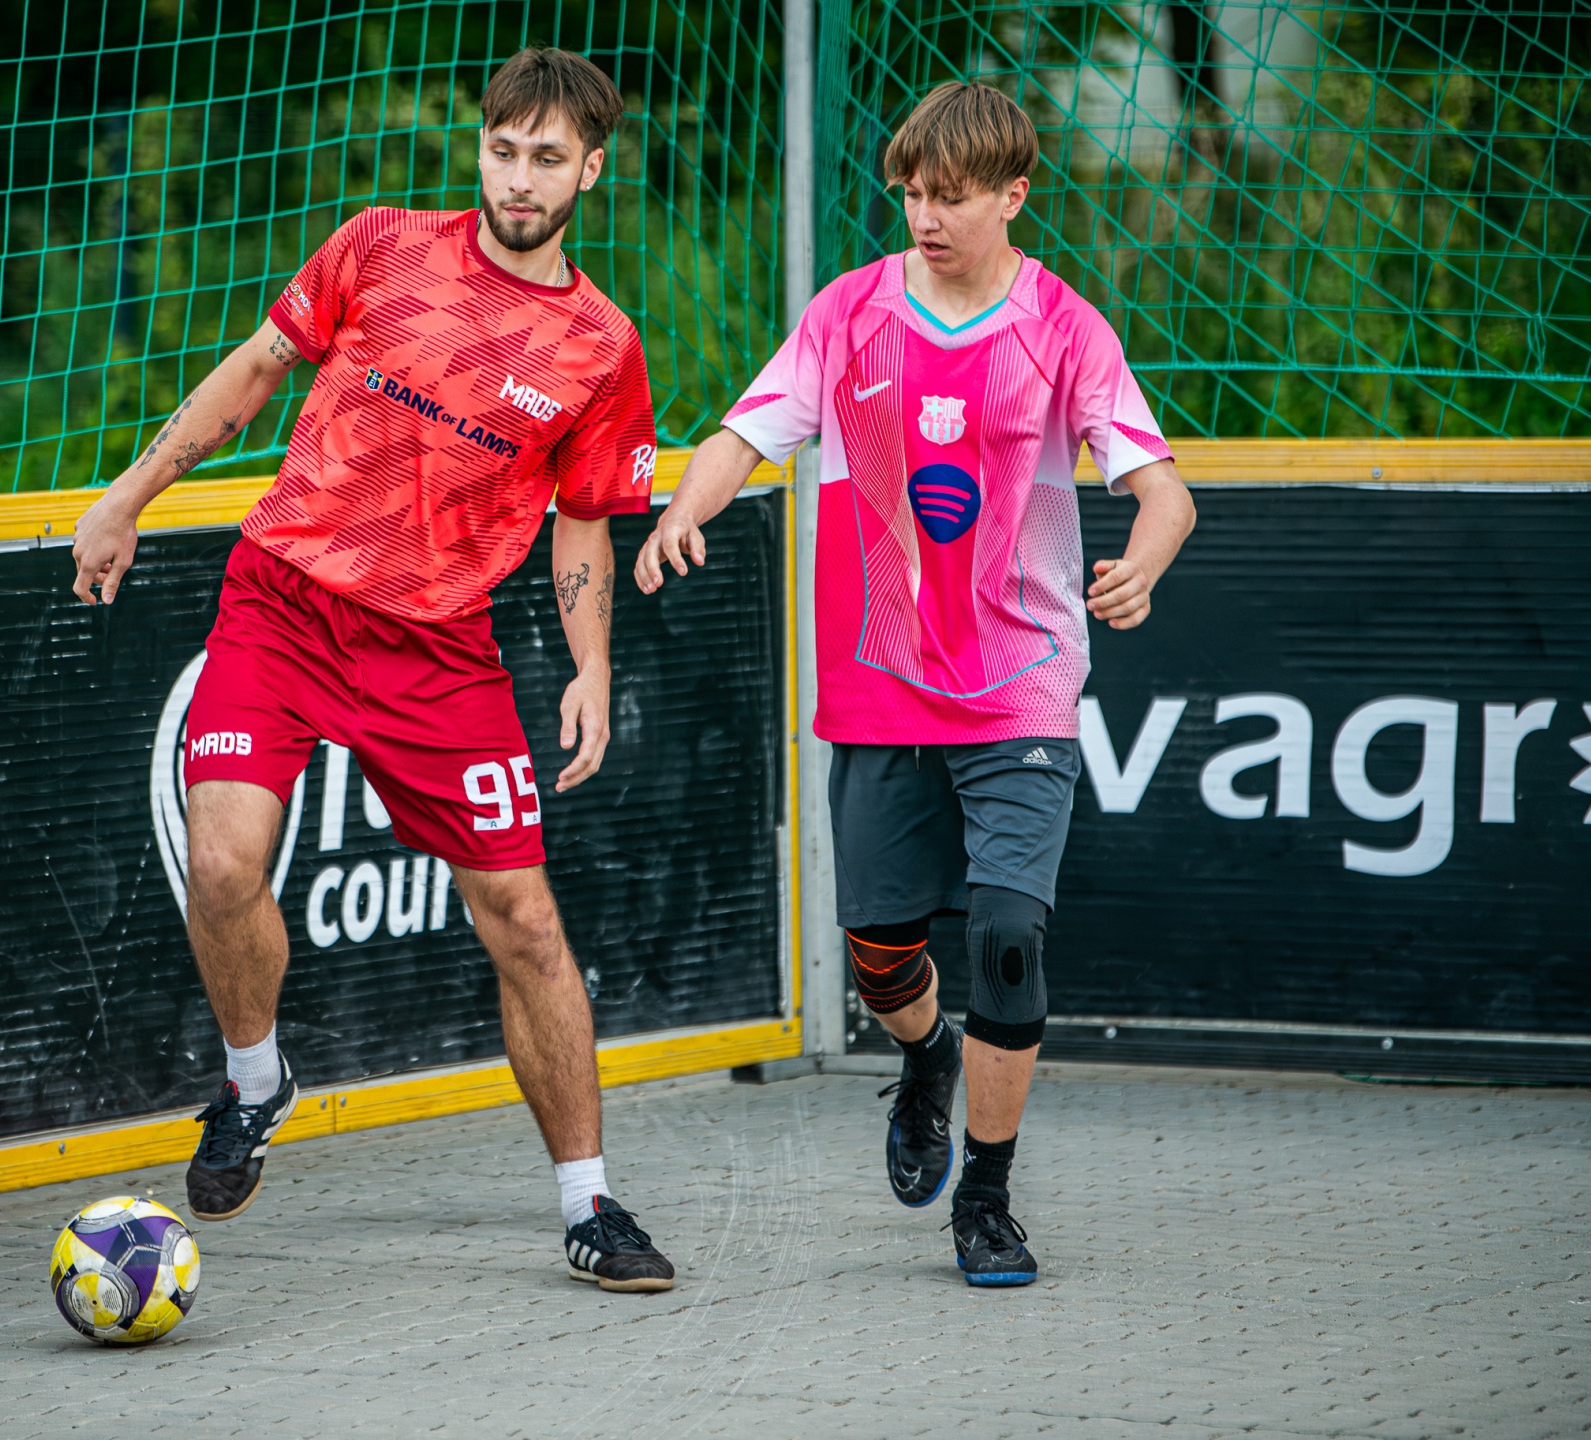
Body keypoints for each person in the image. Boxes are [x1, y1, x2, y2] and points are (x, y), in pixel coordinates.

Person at [67, 47, 674, 1294]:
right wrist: (127, 496)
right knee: (222, 862)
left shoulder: (601, 346)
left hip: (438, 650)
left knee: (525, 922)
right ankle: (255, 1082)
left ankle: (590, 1203)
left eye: (547, 158)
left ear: (591, 171)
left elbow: (584, 522)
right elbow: (253, 371)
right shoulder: (383, 245)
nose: (518, 179)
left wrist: (591, 666)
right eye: (502, 150)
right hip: (283, 605)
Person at [636, 82, 1195, 1287]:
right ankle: (927, 1055)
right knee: (880, 952)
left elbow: (1164, 490)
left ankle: (985, 1199)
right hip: (880, 683)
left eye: (950, 197)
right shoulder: (847, 313)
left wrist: (1143, 562)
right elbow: (744, 433)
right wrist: (687, 507)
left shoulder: (1065, 327)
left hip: (1022, 684)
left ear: (1014, 196)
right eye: (910, 194)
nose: (925, 216)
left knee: (1007, 937)